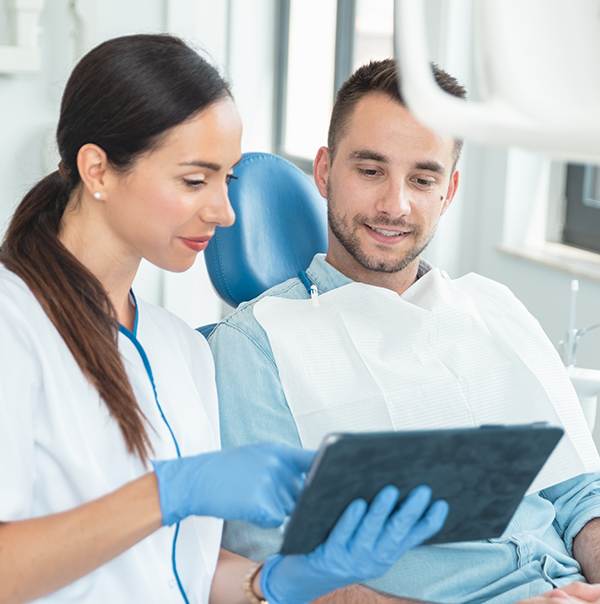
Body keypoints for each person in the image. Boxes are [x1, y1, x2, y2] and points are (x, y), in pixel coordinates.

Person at [0, 37, 450, 604]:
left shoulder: (178, 349)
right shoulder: (12, 326)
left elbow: (179, 567)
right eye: (194, 180)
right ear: (98, 170)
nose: (225, 212)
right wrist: (170, 492)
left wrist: (283, 580)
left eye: (228, 180)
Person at [208, 59, 600, 604]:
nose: (395, 204)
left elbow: (580, 489)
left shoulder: (494, 307)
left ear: (450, 190)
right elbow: (275, 574)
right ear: (324, 172)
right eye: (370, 171)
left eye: (423, 178)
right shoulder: (255, 345)